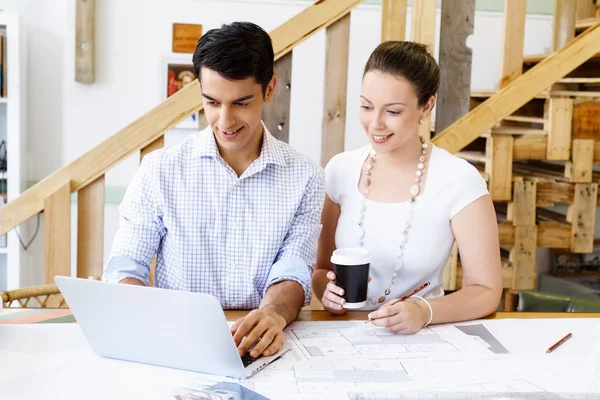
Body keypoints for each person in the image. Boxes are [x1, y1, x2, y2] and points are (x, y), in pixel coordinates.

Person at [103, 22, 325, 358]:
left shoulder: (305, 176)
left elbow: (293, 270)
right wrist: (144, 315)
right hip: (175, 340)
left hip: (261, 346)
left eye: (241, 103)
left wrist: (273, 315)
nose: (224, 120)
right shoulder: (159, 170)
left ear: (268, 90)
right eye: (212, 102)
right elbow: (125, 267)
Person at [312, 41, 502, 334]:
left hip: (424, 337)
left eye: (393, 111)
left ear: (426, 106)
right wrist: (327, 292)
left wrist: (423, 311)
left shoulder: (460, 180)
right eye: (366, 106)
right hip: (343, 335)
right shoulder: (341, 169)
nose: (375, 124)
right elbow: (322, 269)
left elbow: (486, 290)